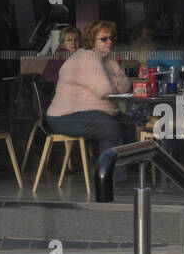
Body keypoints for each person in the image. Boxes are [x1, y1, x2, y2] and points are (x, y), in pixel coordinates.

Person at [46, 20, 135, 156]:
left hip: (92, 112)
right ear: (92, 41)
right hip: (64, 116)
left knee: (127, 123)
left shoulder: (107, 60)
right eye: (104, 39)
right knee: (109, 127)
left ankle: (130, 168)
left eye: (111, 38)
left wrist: (109, 80)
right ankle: (108, 175)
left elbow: (126, 86)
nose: (109, 41)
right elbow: (103, 90)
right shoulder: (87, 57)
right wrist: (113, 81)